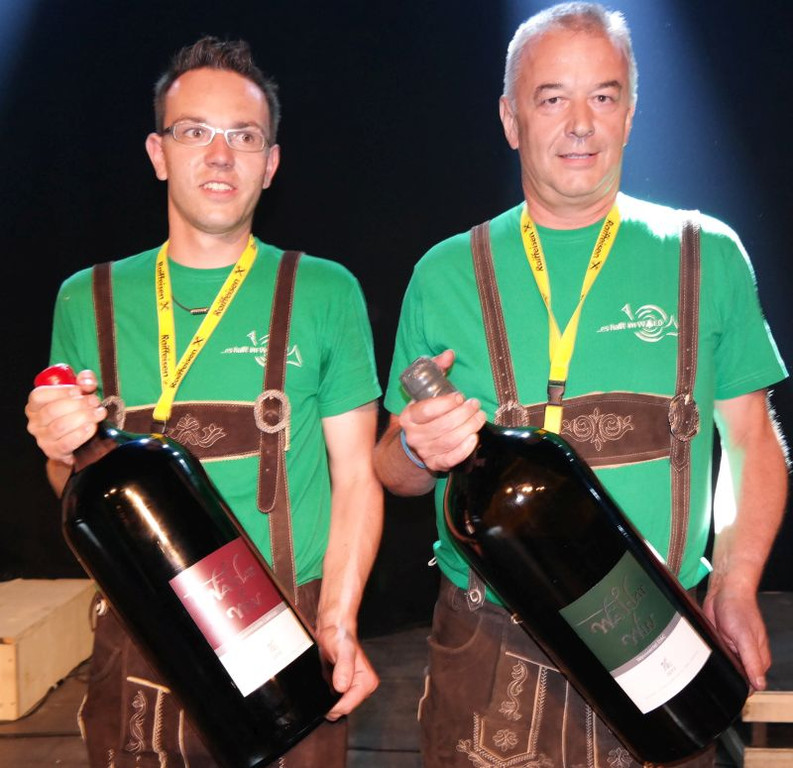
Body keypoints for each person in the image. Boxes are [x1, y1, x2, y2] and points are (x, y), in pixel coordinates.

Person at [374, 3, 788, 767]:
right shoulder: (444, 273)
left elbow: (751, 441)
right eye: (551, 98)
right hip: (492, 650)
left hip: (659, 637)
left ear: (629, 113)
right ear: (511, 119)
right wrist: (414, 448)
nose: (579, 124)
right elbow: (392, 472)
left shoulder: (706, 255)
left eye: (602, 96)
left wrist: (733, 583)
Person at [25, 36, 382, 768]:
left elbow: (356, 477)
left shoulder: (326, 291)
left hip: (288, 634)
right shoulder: (87, 300)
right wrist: (59, 446)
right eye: (195, 132)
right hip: (141, 633)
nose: (220, 156)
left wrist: (339, 621)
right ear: (158, 153)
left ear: (270, 163)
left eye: (243, 137)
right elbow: (74, 486)